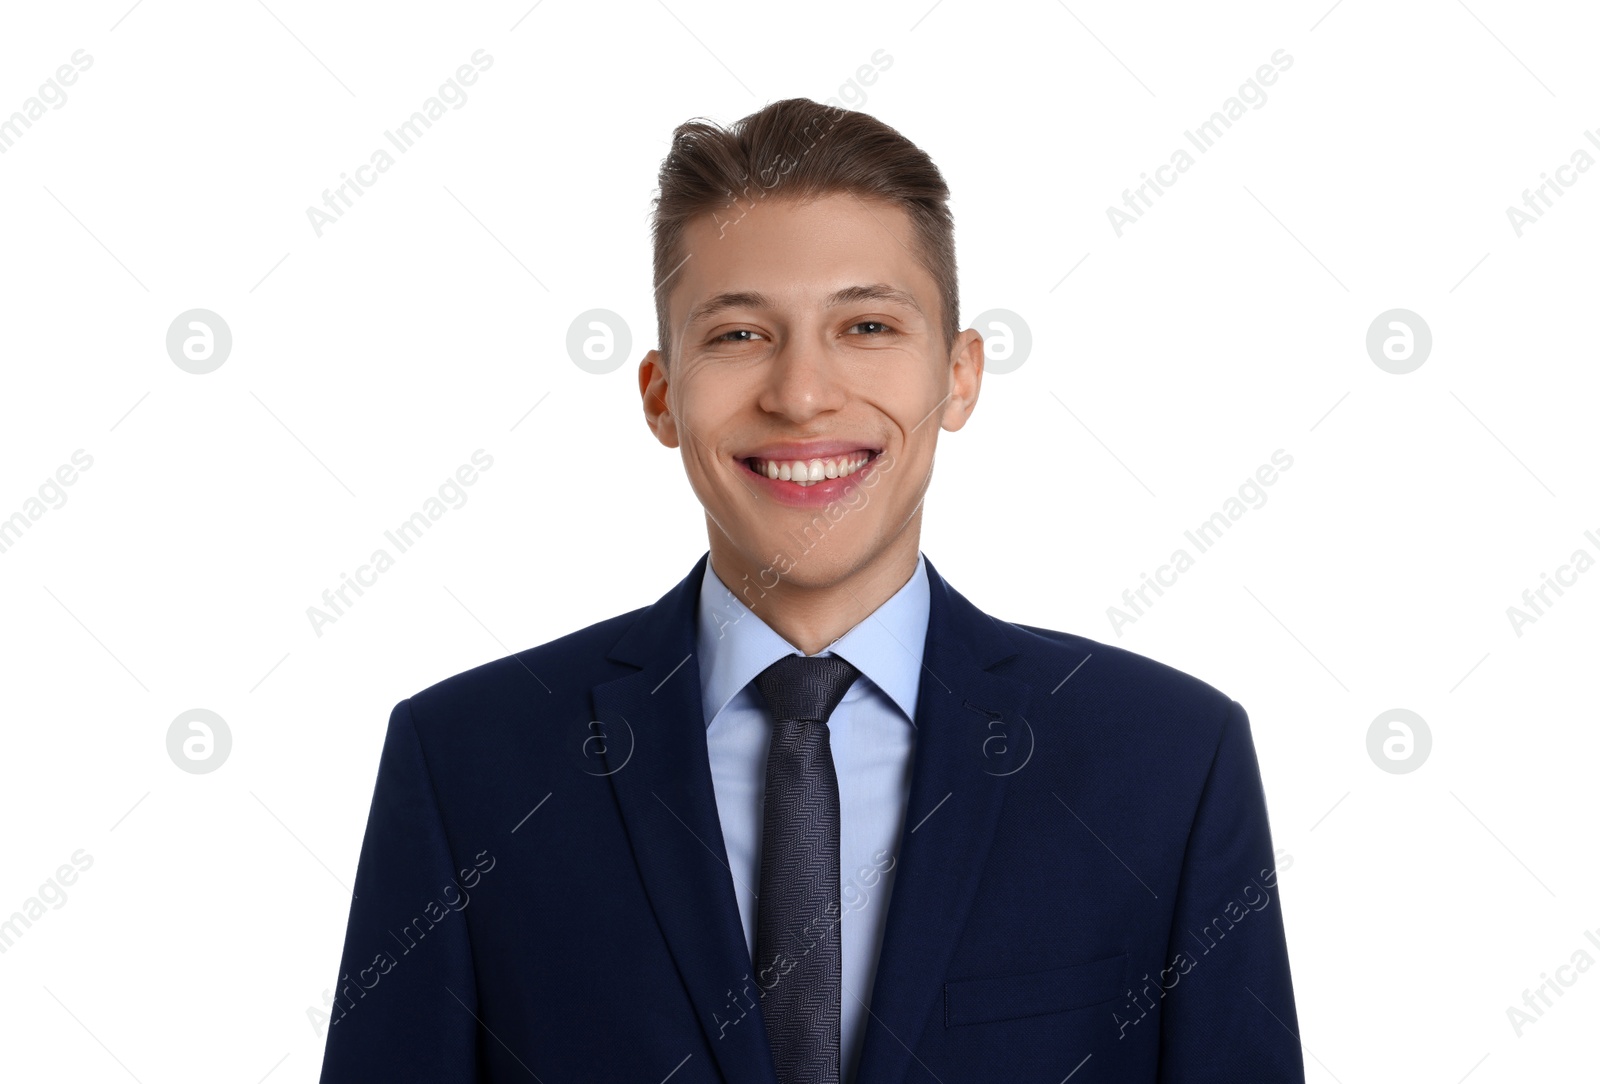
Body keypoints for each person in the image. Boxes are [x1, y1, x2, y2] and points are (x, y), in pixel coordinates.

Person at [317, 96, 1305, 1084]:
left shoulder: (1167, 762)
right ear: (661, 395)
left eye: (866, 325)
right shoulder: (466, 767)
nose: (800, 394)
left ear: (957, 376)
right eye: (740, 335)